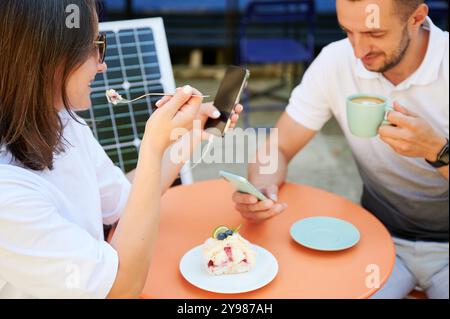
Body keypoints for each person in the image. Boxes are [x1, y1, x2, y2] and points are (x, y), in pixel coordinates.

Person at [0, 0, 242, 298]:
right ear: (48, 58)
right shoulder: (7, 195)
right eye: (94, 46)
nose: (102, 64)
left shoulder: (61, 122)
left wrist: (188, 137)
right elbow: (120, 288)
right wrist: (152, 148)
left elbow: (126, 200)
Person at [232, 0, 449, 299]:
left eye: (374, 33)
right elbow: (278, 147)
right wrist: (260, 190)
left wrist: (438, 151)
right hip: (376, 236)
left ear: (417, 18)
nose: (359, 51)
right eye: (348, 31)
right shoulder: (336, 60)